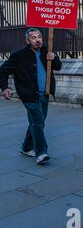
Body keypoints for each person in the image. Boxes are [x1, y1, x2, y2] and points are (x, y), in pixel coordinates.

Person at [0, 27, 61, 165]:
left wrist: (54, 57)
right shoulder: (18, 56)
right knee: (38, 122)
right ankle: (41, 153)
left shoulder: (47, 50)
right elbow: (2, 71)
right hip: (29, 95)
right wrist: (5, 87)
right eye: (33, 37)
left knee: (37, 122)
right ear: (27, 40)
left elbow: (58, 67)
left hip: (44, 94)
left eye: (39, 36)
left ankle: (27, 148)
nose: (37, 40)